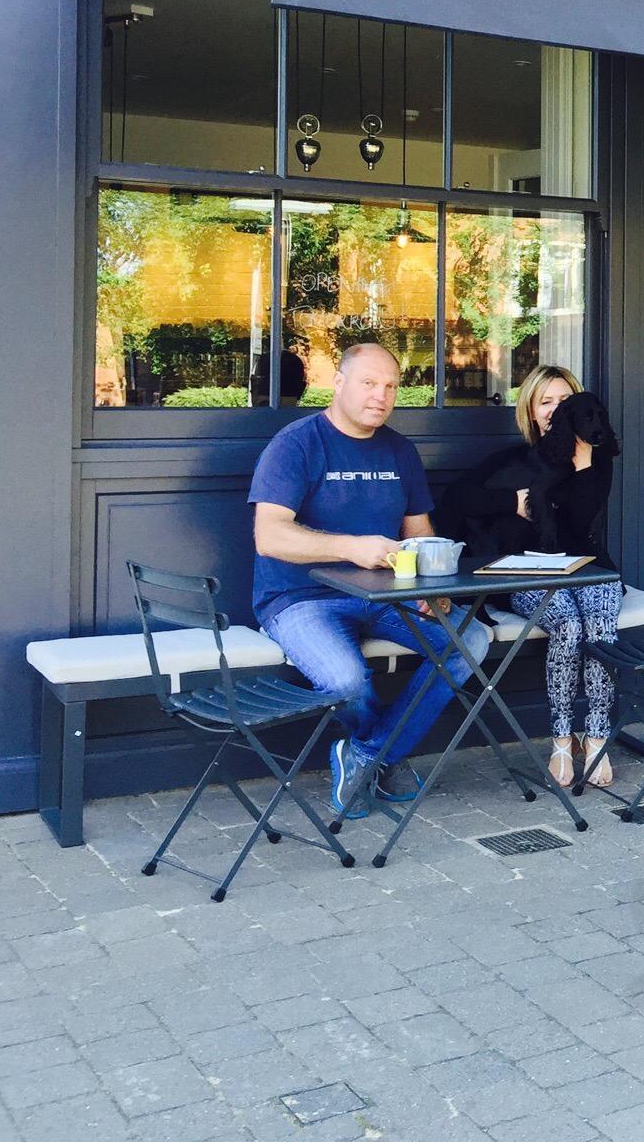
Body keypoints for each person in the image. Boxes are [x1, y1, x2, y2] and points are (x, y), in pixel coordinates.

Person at [251, 342, 489, 820]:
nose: (381, 396)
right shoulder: (296, 444)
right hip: (300, 599)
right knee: (345, 680)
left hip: (385, 596)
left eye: (391, 387)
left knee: (470, 640)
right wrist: (351, 547)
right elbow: (269, 536)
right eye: (369, 383)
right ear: (339, 383)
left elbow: (419, 534)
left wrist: (433, 590)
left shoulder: (399, 450)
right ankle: (384, 756)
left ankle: (366, 754)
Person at [438, 366, 624, 788]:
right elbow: (457, 497)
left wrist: (583, 463)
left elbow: (582, 522)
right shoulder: (513, 459)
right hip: (528, 571)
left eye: (565, 401)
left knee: (599, 628)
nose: (555, 410)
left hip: (589, 567)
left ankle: (596, 737)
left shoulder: (597, 460)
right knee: (568, 625)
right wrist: (513, 502)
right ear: (531, 411)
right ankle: (561, 740)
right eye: (546, 401)